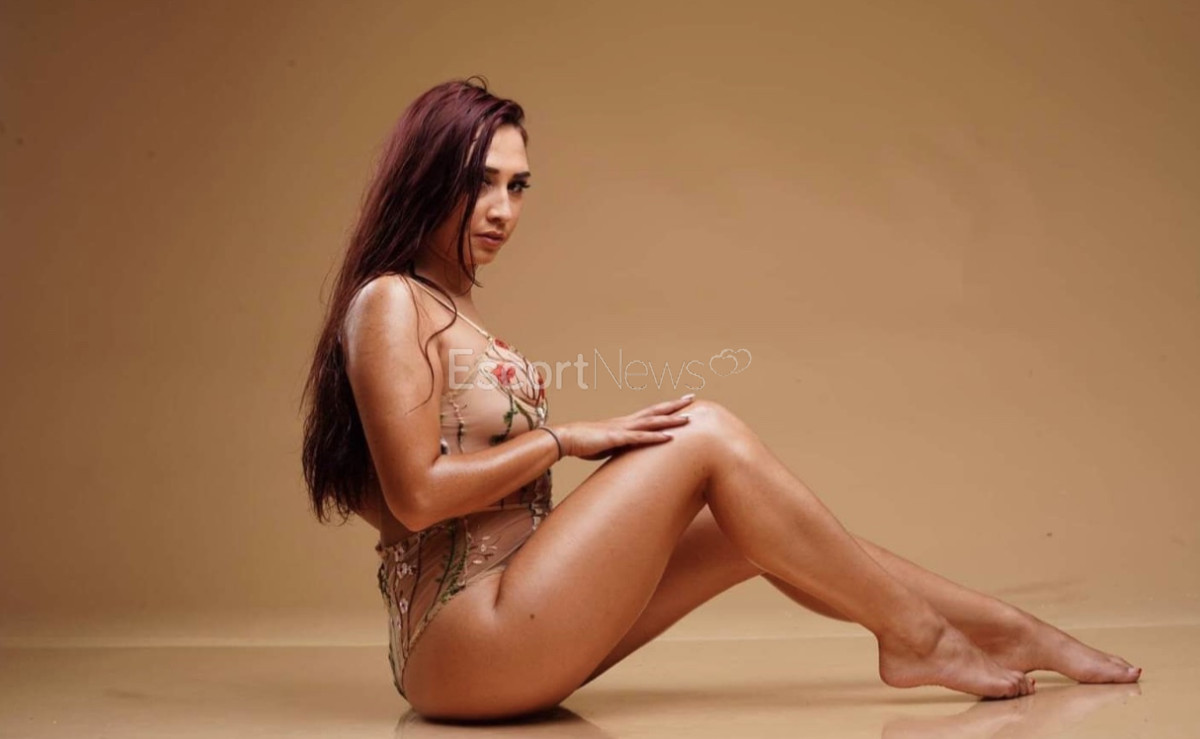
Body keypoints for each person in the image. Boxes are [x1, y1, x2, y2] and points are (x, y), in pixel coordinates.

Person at [301, 77, 1141, 722]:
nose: (502, 209)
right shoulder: (390, 301)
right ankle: (918, 638)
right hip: (465, 645)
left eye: (518, 186)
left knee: (750, 522)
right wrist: (567, 439)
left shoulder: (449, 306)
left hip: (514, 614)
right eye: (480, 182)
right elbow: (417, 497)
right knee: (703, 432)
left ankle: (1008, 629)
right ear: (427, 178)